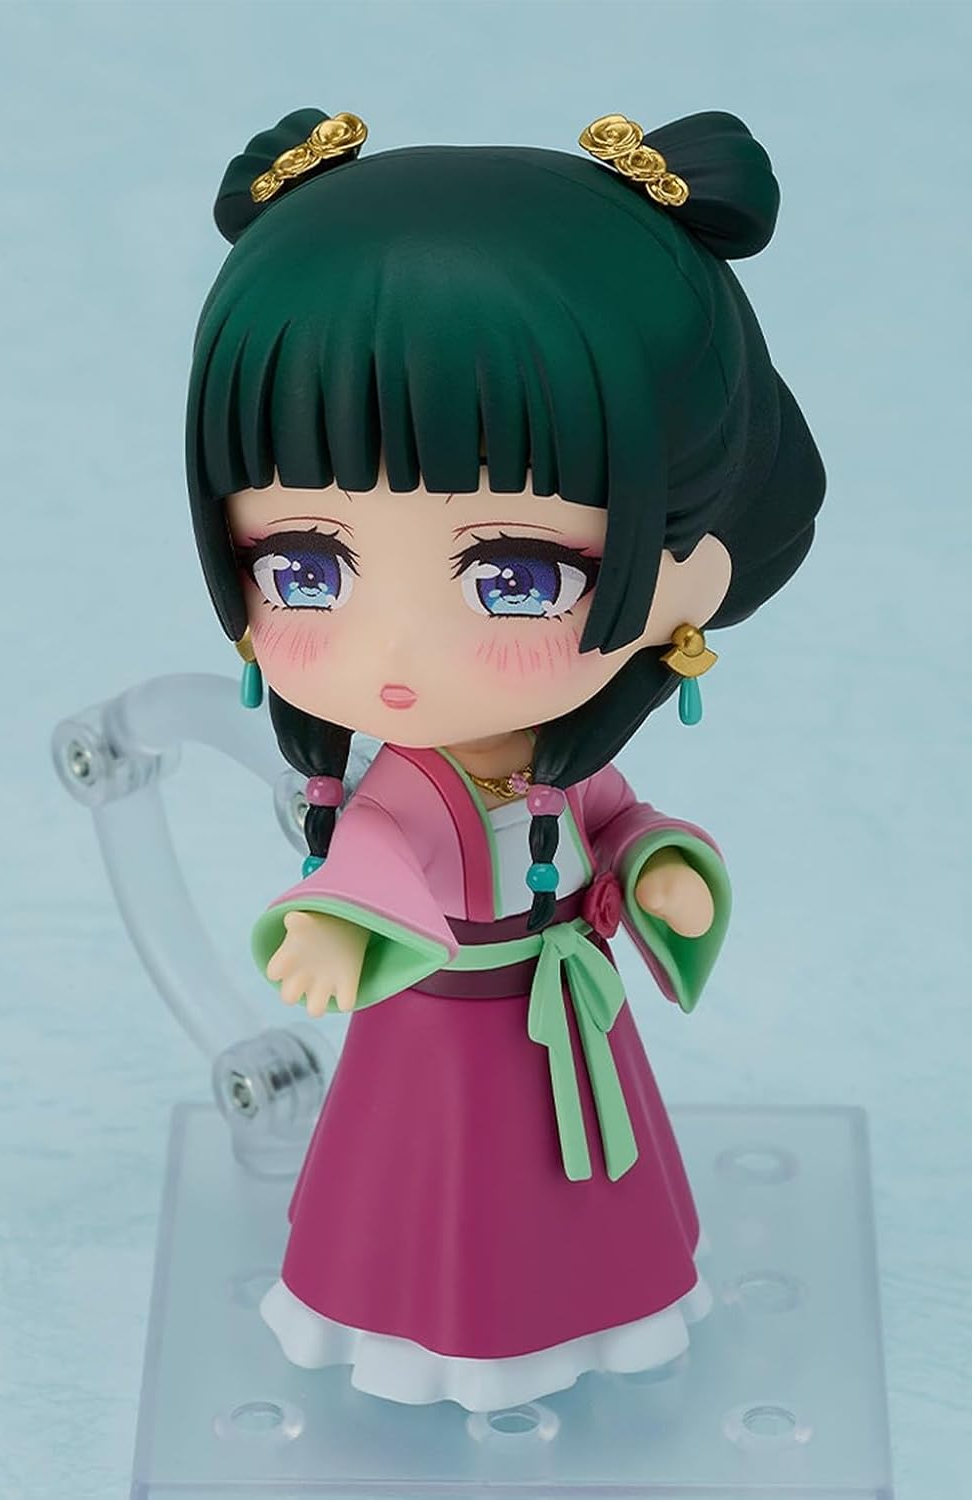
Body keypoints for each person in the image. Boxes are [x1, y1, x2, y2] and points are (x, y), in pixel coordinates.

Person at [185, 107, 825, 1410]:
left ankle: (597, 1323)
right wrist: (334, 929)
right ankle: (431, 1346)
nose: (398, 653)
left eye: (513, 576)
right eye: (303, 570)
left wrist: (651, 866)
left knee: (575, 1196)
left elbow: (615, 814)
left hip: (562, 1007)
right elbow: (372, 859)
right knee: (434, 1202)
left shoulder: (556, 764)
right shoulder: (410, 790)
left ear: (692, 569)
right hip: (437, 1033)